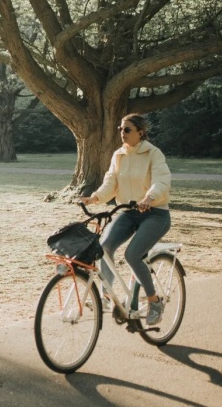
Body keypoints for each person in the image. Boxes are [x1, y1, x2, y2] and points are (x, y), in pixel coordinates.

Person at [80, 113, 172, 325]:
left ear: (140, 132)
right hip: (128, 212)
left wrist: (149, 197)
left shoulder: (153, 153)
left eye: (127, 129)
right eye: (120, 129)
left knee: (133, 254)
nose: (122, 133)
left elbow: (162, 181)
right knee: (104, 247)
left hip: (155, 213)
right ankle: (106, 297)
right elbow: (110, 183)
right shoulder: (118, 155)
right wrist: (94, 198)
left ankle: (153, 301)